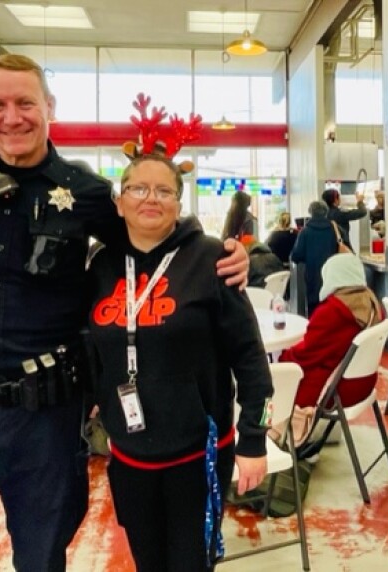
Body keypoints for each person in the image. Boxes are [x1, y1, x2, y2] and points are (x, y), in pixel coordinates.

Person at [0, 54, 249, 572]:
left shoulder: (86, 192)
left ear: (49, 106)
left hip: (44, 419)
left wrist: (220, 254)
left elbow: (152, 242)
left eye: (25, 102)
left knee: (42, 560)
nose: (12, 117)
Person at [88, 153, 271, 570]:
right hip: (129, 453)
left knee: (191, 563)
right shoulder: (100, 265)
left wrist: (254, 438)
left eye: (164, 190)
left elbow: (250, 358)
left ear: (178, 202)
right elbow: (90, 348)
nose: (150, 198)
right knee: (147, 560)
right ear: (119, 201)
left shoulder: (212, 258)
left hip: (198, 454)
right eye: (137, 188)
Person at [279, 253, 383, 410]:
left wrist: (282, 357)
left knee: (270, 386)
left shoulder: (332, 311)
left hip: (334, 390)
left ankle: (265, 425)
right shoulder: (371, 303)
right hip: (363, 382)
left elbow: (307, 355)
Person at [291, 201, 339, 316]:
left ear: (311, 213)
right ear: (326, 212)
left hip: (313, 275)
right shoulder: (334, 229)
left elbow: (296, 256)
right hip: (332, 274)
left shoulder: (305, 231)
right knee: (331, 304)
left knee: (314, 308)